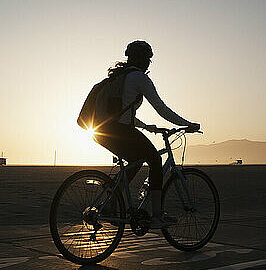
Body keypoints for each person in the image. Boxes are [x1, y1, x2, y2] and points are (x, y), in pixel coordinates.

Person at [80, 40, 199, 229]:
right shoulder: (139, 78)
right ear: (144, 59)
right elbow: (161, 108)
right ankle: (157, 215)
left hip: (100, 131)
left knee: (135, 160)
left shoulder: (115, 78)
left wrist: (145, 126)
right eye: (148, 60)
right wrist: (187, 124)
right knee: (155, 160)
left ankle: (111, 203)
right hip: (119, 131)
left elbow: (119, 112)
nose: (148, 64)